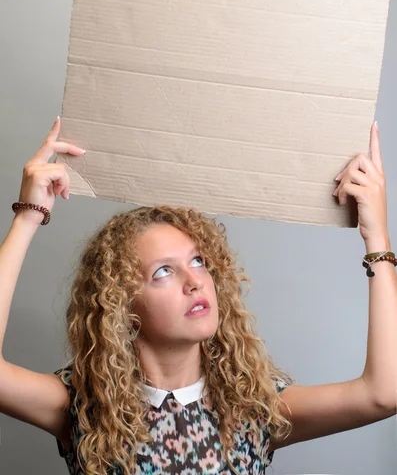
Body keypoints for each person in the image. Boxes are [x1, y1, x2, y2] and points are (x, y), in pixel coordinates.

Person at [0, 116, 396, 475]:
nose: (195, 281)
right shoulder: (83, 403)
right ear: (121, 305)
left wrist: (377, 237)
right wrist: (28, 216)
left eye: (199, 262)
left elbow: (384, 394)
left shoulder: (252, 406)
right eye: (163, 271)